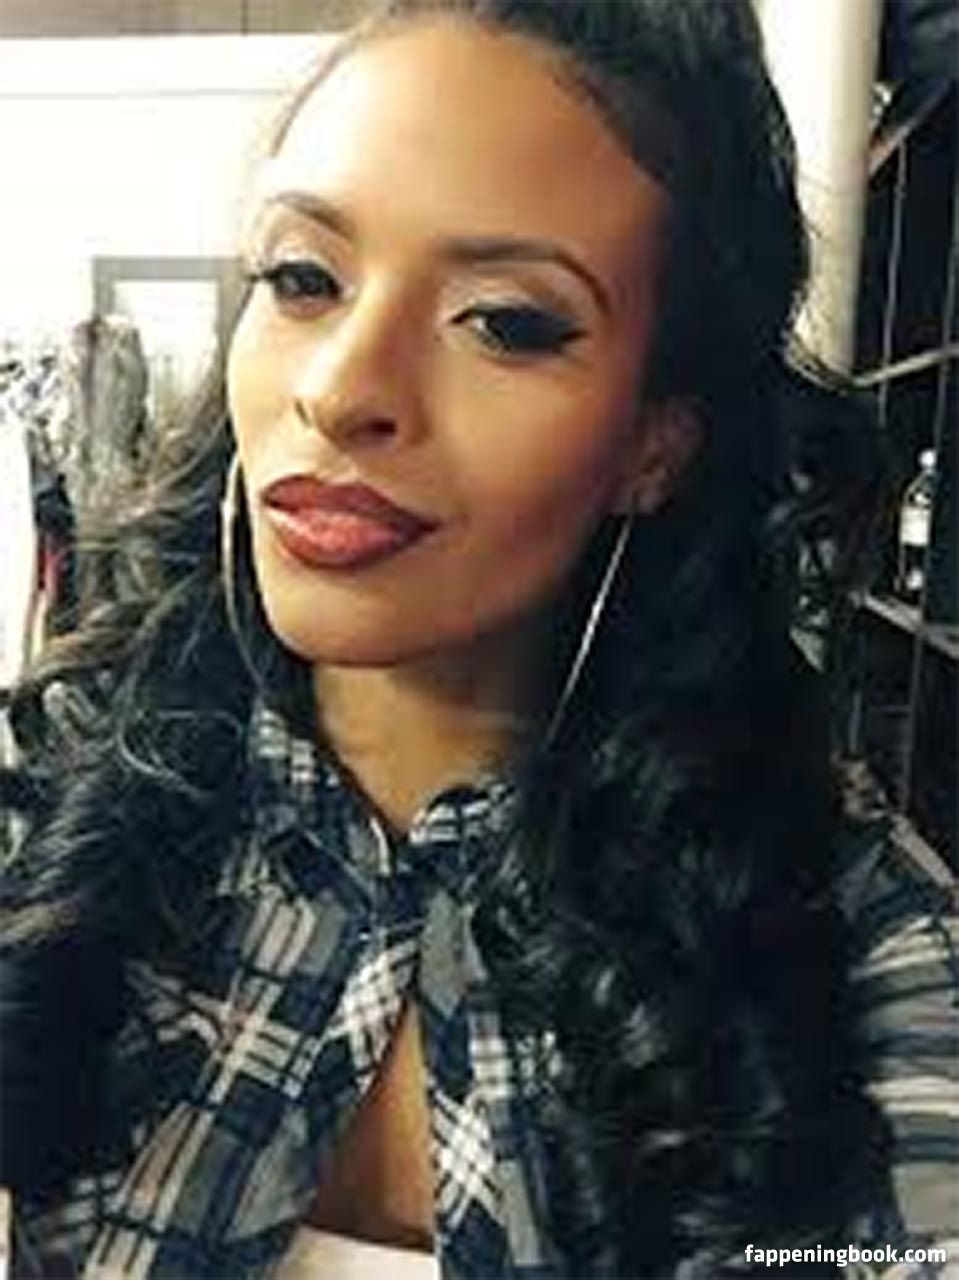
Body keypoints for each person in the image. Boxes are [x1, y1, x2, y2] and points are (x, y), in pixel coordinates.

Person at [1, 1, 956, 1277]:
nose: (340, 389)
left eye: (506, 320)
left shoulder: (851, 949)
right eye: (302, 279)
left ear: (653, 442)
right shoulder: (59, 828)